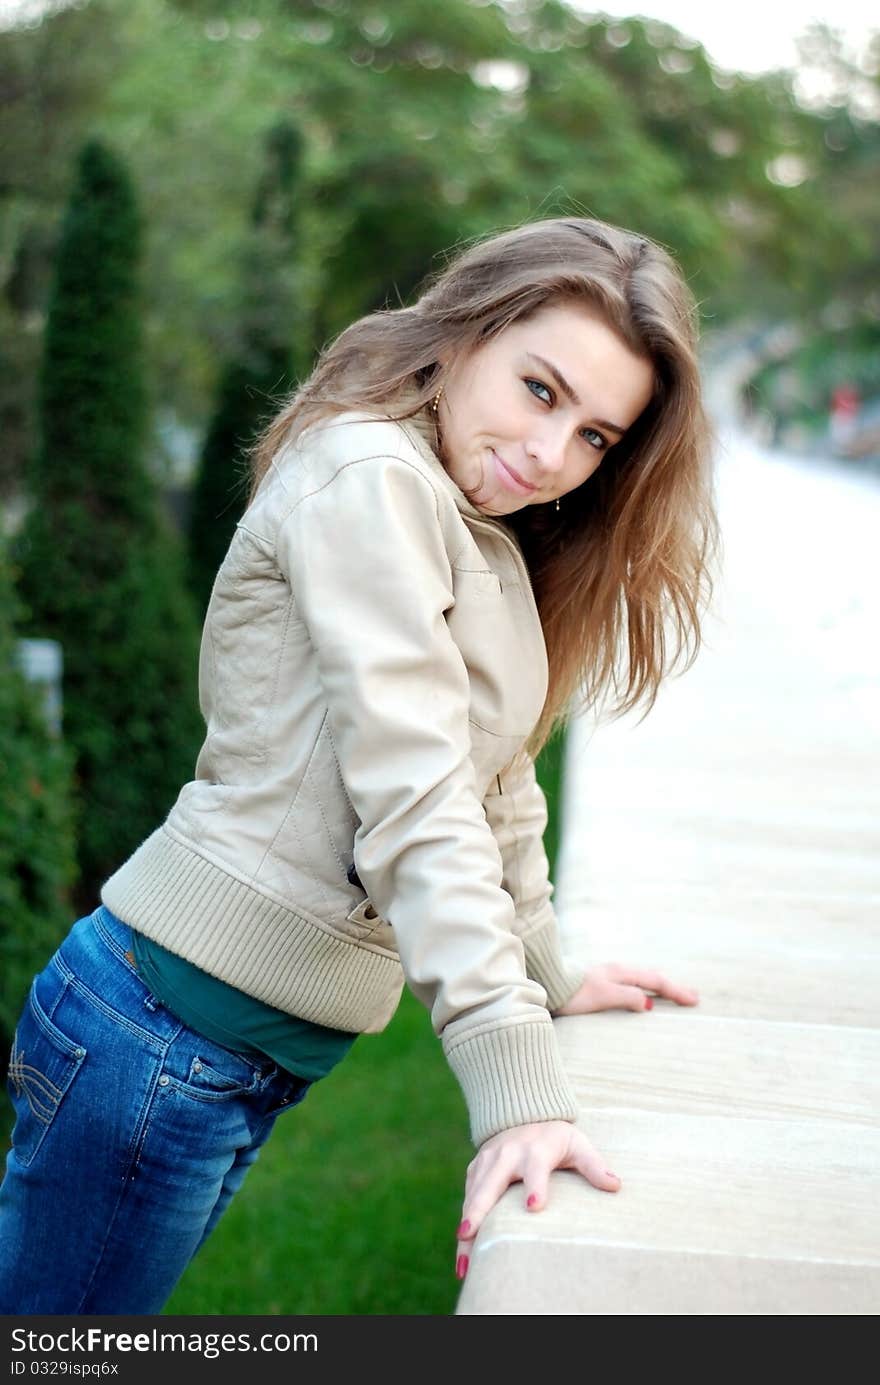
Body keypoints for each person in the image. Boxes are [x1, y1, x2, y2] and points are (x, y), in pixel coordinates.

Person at [0, 216, 717, 1314]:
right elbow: (415, 791)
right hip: (159, 1036)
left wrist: (549, 968)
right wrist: (515, 1090)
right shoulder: (368, 477)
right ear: (467, 330)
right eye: (539, 388)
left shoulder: (472, 525)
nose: (551, 452)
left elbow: (496, 783)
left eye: (595, 435)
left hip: (218, 1054)